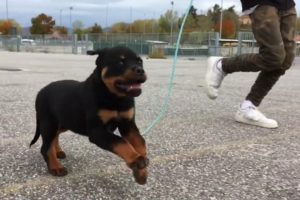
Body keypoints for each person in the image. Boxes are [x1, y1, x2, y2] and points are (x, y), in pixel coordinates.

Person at [205, 0, 297, 128]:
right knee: (273, 56)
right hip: (262, 3)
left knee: (286, 59)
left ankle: (248, 107)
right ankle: (222, 65)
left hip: (287, 5)